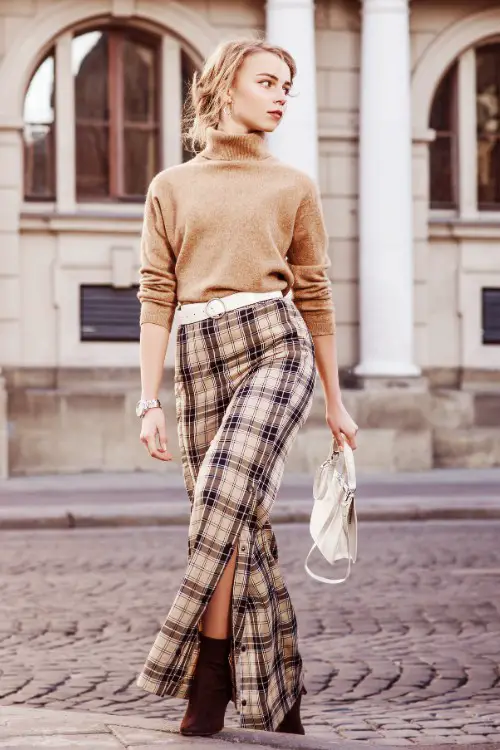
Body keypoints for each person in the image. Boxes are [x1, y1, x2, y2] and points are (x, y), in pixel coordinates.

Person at [134, 36, 358, 738]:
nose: (283, 94)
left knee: (222, 499)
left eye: (287, 84)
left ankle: (202, 670)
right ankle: (274, 681)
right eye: (269, 81)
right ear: (227, 86)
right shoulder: (171, 186)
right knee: (234, 520)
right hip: (198, 355)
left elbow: (315, 294)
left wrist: (335, 399)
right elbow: (155, 297)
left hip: (275, 344)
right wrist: (149, 401)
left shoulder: (294, 185)